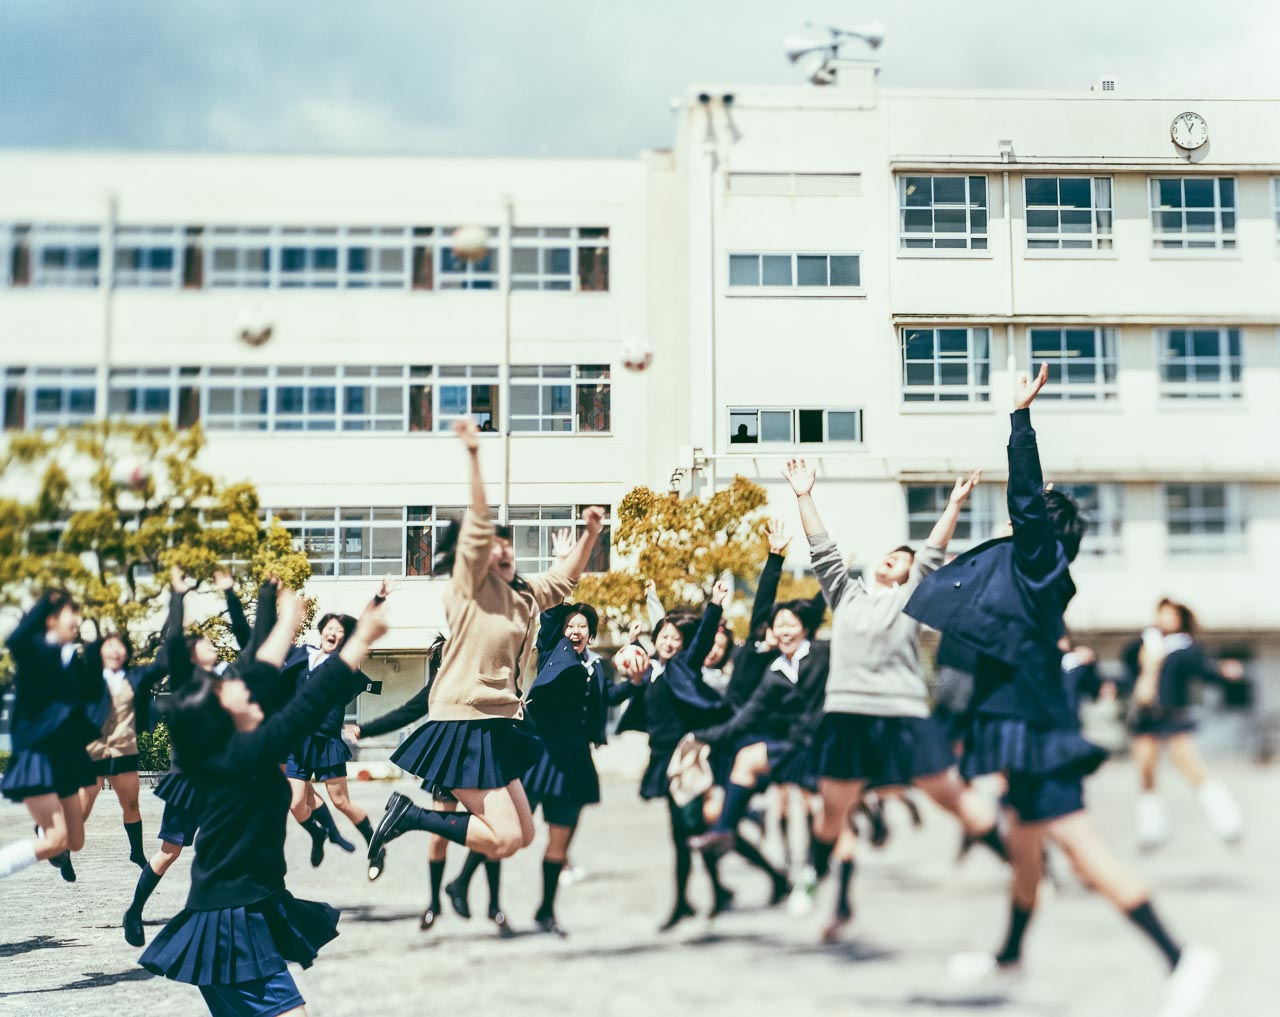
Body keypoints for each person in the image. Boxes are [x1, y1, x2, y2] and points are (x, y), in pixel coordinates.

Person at [905, 364, 1219, 1017]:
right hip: (1017, 730)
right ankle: (1010, 955)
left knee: (1080, 852)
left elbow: (1024, 499)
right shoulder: (1029, 578)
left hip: (1039, 733)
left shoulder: (1037, 563)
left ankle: (1181, 956)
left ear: (1045, 533)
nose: (1020, 521)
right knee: (1025, 852)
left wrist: (1019, 419)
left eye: (1033, 519)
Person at [365, 420, 605, 918]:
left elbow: (566, 579)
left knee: (522, 836)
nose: (501, 547)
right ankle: (410, 816)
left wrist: (591, 534)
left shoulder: (524, 593)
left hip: (498, 722)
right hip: (464, 722)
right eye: (491, 543)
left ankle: (415, 819)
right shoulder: (470, 590)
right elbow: (478, 518)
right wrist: (474, 454)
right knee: (507, 835)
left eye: (506, 542)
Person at [771, 460, 1004, 937]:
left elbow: (934, 551)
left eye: (901, 559)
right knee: (832, 813)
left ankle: (1020, 863)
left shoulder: (915, 597)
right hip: (848, 714)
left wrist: (956, 503)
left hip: (901, 713)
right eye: (890, 556)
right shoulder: (848, 596)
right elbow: (823, 550)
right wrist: (803, 496)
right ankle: (813, 879)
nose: (890, 560)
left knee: (954, 799)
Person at [139, 584, 389, 1017]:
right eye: (226, 684)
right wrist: (362, 637)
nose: (241, 681)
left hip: (229, 909)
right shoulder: (244, 755)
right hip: (231, 923)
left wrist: (287, 615)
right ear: (218, 710)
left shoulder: (228, 745)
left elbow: (260, 667)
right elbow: (312, 700)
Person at [124, 567, 274, 948]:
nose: (210, 644)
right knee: (170, 852)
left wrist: (231, 593)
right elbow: (174, 639)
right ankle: (135, 911)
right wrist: (177, 595)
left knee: (231, 847)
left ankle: (236, 921)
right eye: (203, 643)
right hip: (189, 779)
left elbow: (250, 641)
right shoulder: (187, 678)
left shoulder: (228, 677)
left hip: (225, 779)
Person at [614, 578, 749, 931]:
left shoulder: (682, 667)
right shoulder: (651, 669)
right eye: (664, 637)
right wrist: (634, 639)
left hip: (684, 759)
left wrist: (715, 606)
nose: (668, 642)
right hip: (662, 757)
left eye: (675, 638)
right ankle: (714, 892)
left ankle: (687, 902)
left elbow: (703, 638)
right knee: (687, 831)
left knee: (688, 831)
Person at [1122, 600, 1245, 851]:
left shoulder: (1185, 648)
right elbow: (1127, 667)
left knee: (1188, 763)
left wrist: (1222, 670)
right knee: (1145, 770)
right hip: (1146, 715)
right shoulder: (1144, 643)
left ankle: (1228, 820)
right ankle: (1151, 829)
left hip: (1173, 714)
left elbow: (1203, 669)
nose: (1166, 619)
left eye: (1171, 615)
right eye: (1162, 614)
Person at [0, 589, 104, 883]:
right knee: (56, 841)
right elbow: (16, 639)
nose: (77, 622)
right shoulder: (35, 652)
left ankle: (45, 829)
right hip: (38, 757)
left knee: (75, 842)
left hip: (66, 759)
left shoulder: (69, 658)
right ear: (51, 621)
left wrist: (96, 656)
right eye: (71, 615)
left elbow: (91, 697)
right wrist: (48, 599)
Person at [343, 636, 446, 928]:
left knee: (492, 830)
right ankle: (435, 903)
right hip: (448, 762)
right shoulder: (438, 688)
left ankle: (490, 902)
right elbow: (406, 712)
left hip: (482, 760)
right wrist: (365, 729)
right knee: (440, 833)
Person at [284, 611, 381, 875]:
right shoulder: (305, 656)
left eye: (339, 630)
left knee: (341, 802)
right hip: (299, 742)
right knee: (294, 803)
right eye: (329, 628)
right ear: (321, 630)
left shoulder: (344, 666)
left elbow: (359, 648)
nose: (333, 633)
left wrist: (378, 602)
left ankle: (375, 844)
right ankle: (318, 834)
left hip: (327, 743)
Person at [79, 627, 169, 869]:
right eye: (109, 645)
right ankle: (63, 850)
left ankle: (136, 852)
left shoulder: (135, 678)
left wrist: (177, 603)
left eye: (120, 646)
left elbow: (162, 662)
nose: (115, 650)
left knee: (131, 804)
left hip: (124, 748)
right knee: (83, 808)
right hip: (93, 750)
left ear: (127, 652)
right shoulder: (89, 677)